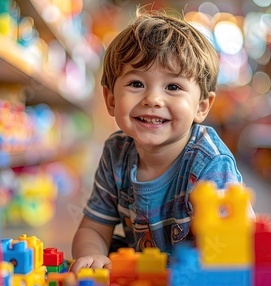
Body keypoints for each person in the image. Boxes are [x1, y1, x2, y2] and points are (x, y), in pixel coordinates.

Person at [71, 8, 245, 273]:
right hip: (145, 272)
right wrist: (92, 256)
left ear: (201, 106)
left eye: (173, 87)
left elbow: (230, 247)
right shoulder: (116, 152)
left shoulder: (209, 162)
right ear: (111, 100)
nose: (153, 99)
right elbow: (94, 227)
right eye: (137, 84)